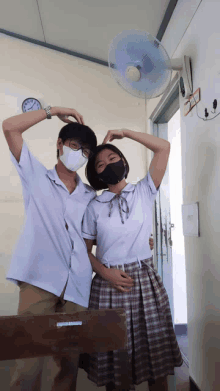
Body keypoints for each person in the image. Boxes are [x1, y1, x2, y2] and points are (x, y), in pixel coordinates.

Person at [2, 107, 154, 391]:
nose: (80, 154)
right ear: (59, 145)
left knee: (67, 361)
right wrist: (52, 111)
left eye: (86, 151)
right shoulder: (35, 175)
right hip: (39, 280)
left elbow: (101, 235)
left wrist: (141, 239)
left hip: (77, 286)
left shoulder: (90, 196)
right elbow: (10, 127)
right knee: (29, 359)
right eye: (75, 146)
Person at [80, 128, 184, 391]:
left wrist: (125, 132)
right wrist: (105, 273)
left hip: (144, 282)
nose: (108, 165)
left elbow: (163, 147)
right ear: (97, 174)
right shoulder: (94, 206)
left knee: (156, 365)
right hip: (107, 286)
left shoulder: (144, 191)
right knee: (117, 370)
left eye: (113, 159)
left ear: (124, 162)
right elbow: (84, 251)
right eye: (101, 164)